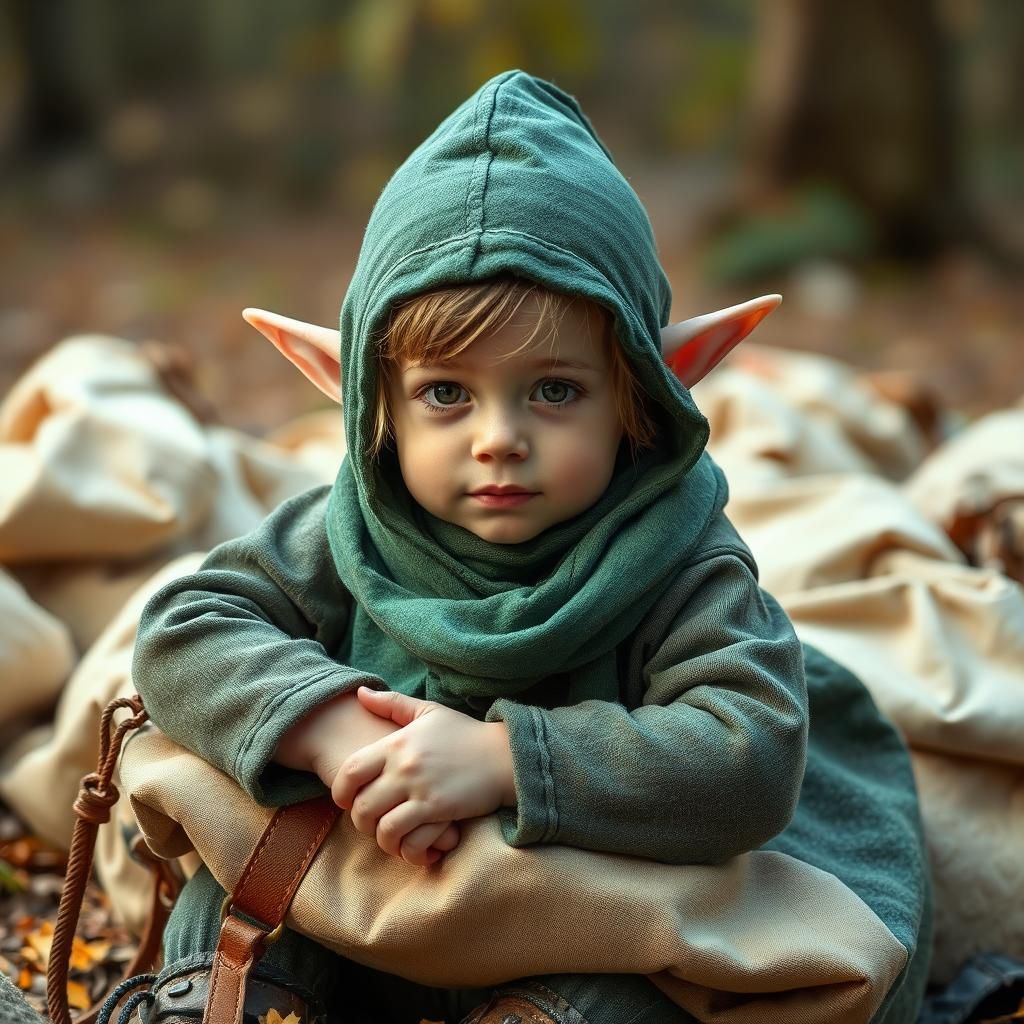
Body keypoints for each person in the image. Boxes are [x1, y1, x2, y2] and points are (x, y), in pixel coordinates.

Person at [131, 70, 813, 1024]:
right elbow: (182, 629)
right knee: (240, 890)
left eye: (556, 390)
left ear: (644, 393)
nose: (500, 438)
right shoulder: (347, 537)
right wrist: (331, 732)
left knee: (645, 986)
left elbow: (754, 752)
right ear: (369, 395)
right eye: (447, 394)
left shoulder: (678, 561)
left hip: (572, 921)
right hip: (362, 902)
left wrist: (504, 760)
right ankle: (219, 1005)